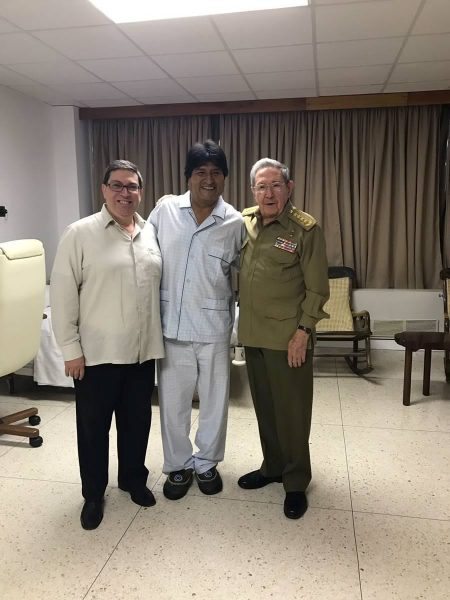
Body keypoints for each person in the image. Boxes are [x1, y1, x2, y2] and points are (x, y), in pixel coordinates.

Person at [51, 160, 164, 530]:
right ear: (104, 190)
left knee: (137, 425)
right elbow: (64, 295)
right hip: (96, 356)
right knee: (93, 430)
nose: (124, 193)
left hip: (140, 352)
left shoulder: (149, 233)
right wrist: (70, 349)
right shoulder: (79, 233)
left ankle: (133, 479)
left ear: (140, 191)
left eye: (132, 186)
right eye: (117, 185)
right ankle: (93, 495)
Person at [149, 140, 243, 500]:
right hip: (171, 326)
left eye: (216, 173)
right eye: (200, 172)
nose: (208, 179)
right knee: (173, 404)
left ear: (224, 178)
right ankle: (177, 466)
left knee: (215, 401)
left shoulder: (234, 222)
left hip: (215, 329)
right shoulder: (165, 211)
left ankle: (206, 463)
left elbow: (244, 272)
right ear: (188, 176)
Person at [237, 158, 329, 520]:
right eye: (261, 186)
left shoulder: (305, 229)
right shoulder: (245, 222)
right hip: (253, 334)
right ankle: (272, 466)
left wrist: (304, 332)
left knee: (292, 412)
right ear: (253, 191)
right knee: (265, 408)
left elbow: (317, 288)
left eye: (276, 185)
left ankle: (295, 481)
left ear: (289, 188)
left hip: (288, 337)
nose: (269, 192)